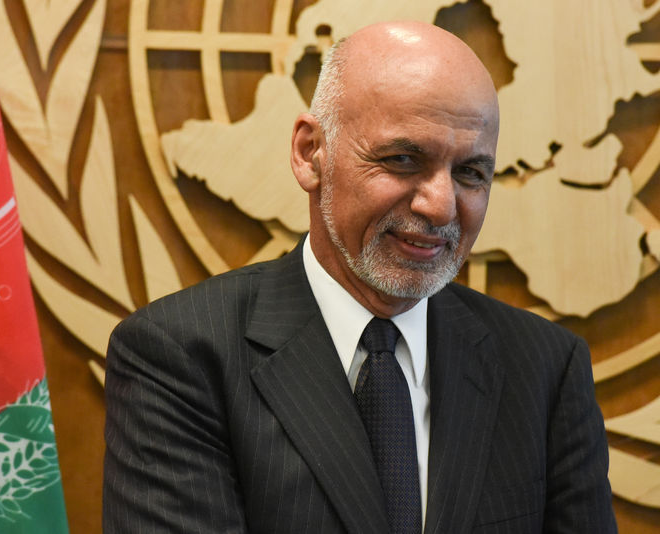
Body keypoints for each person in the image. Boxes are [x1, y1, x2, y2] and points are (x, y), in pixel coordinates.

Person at [103, 21, 616, 533]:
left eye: (470, 173)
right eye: (402, 159)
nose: (440, 207)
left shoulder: (547, 368)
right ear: (310, 153)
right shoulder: (180, 358)